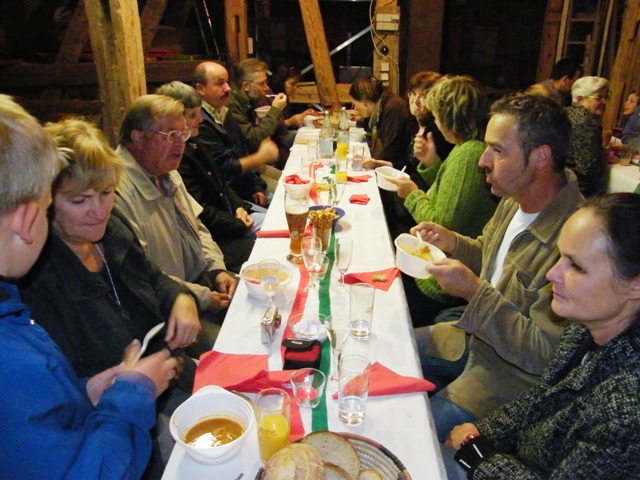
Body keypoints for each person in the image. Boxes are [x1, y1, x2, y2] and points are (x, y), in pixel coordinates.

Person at [0, 94, 179, 479]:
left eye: (106, 194)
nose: (99, 211)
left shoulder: (10, 308)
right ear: (29, 218)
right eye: (50, 206)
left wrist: (82, 394)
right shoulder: (24, 314)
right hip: (124, 428)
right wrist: (130, 396)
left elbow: (39, 422)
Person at [412, 93, 582, 440]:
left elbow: (544, 355)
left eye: (498, 150)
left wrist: (474, 293)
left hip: (507, 379)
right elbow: (491, 257)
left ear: (541, 157)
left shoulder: (575, 238)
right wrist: (453, 242)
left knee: (414, 437)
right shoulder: (513, 200)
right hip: (471, 338)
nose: (483, 161)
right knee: (390, 347)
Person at [442, 194, 640, 480]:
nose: (551, 274)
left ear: (635, 285)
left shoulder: (627, 410)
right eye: (560, 257)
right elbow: (541, 400)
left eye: (576, 267)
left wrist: (478, 456)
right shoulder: (585, 328)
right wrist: (483, 432)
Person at [114, 94, 237, 349]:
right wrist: (203, 297)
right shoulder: (115, 191)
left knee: (269, 299)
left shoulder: (168, 173)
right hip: (168, 312)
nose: (181, 144)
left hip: (202, 285)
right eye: (171, 135)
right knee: (234, 349)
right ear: (138, 138)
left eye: (183, 134)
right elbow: (144, 274)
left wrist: (217, 269)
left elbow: (197, 227)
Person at [388, 75, 498, 326]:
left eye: (437, 114)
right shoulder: (465, 148)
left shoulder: (469, 154)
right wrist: (431, 164)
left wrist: (412, 194)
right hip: (440, 268)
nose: (435, 121)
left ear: (449, 117)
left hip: (439, 282)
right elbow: (455, 194)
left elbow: (441, 225)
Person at [156, 80, 262, 272]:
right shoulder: (175, 159)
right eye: (193, 115)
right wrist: (238, 225)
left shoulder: (195, 143)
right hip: (220, 236)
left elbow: (221, 182)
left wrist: (238, 206)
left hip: (232, 218)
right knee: (273, 246)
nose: (200, 119)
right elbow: (202, 213)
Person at [193, 60, 279, 206]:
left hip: (245, 183)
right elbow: (223, 169)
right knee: (285, 196)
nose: (228, 88)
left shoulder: (223, 110)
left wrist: (256, 186)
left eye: (227, 82)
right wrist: (260, 157)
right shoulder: (200, 122)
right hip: (230, 198)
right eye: (220, 83)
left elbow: (241, 150)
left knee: (290, 185)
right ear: (200, 88)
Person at [227, 58, 291, 170]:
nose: (266, 88)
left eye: (266, 82)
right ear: (246, 86)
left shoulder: (250, 98)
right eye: (262, 83)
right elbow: (254, 140)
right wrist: (275, 109)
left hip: (255, 160)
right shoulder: (232, 104)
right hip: (244, 166)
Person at [349, 76, 414, 169]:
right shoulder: (382, 104)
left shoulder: (393, 108)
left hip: (402, 167)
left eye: (355, 104)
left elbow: (390, 151)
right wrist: (362, 120)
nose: (355, 109)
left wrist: (374, 163)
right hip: (395, 163)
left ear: (364, 102)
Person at [566, 76, 609, 197]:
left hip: (562, 181)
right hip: (578, 190)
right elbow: (588, 168)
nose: (604, 102)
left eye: (605, 97)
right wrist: (602, 158)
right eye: (599, 98)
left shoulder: (567, 112)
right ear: (580, 99)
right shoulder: (585, 122)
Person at [269, 64, 317, 130]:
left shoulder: (285, 97)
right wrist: (289, 122)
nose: (295, 88)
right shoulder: (271, 98)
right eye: (292, 84)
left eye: (296, 85)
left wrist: (303, 115)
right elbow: (269, 127)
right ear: (281, 82)